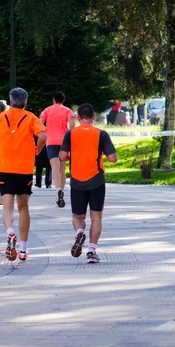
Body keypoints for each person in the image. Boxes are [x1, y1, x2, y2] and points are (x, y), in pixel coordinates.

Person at [0, 87, 47, 262]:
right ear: (25, 103)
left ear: (10, 103)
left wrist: (0, 143)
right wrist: (37, 149)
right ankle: (23, 249)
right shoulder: (31, 117)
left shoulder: (0, 117)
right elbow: (43, 135)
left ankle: (10, 232)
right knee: (24, 207)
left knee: (7, 206)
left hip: (4, 167)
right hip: (24, 168)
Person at [59, 104, 118, 263]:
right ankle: (91, 251)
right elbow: (113, 158)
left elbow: (62, 156)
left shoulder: (70, 134)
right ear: (93, 117)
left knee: (77, 216)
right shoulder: (102, 134)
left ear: (78, 118)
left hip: (77, 180)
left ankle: (79, 231)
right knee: (96, 217)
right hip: (96, 179)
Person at [41, 91, 75, 208]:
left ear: (53, 99)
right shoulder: (67, 110)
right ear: (63, 100)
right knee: (62, 168)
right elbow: (72, 123)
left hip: (51, 142)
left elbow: (40, 123)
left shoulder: (47, 110)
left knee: (54, 167)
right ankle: (62, 191)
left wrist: (47, 130)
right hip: (64, 142)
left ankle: (57, 189)